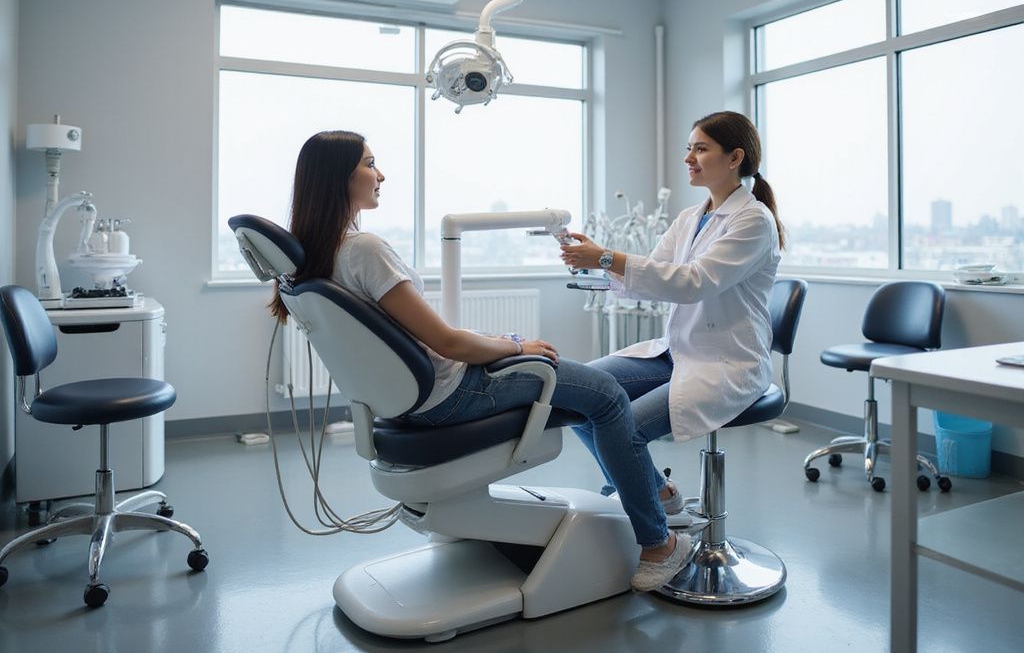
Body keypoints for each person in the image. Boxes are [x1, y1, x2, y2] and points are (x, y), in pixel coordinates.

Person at [271, 130, 691, 591]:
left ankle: (656, 495)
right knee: (606, 395)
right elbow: (449, 345)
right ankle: (657, 543)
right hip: (453, 393)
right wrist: (517, 348)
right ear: (339, 178)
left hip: (412, 399)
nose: (381, 174)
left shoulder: (312, 262)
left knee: (584, 394)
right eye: (371, 164)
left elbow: (427, 338)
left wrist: (496, 340)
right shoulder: (365, 250)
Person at [559, 111, 784, 516]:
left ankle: (655, 536)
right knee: (575, 397)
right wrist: (597, 265)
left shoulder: (753, 221)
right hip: (678, 350)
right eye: (689, 148)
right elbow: (654, 275)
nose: (689, 158)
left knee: (622, 432)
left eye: (701, 148)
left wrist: (607, 256)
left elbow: (694, 282)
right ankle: (654, 491)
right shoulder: (690, 219)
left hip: (727, 362)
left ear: (734, 158)